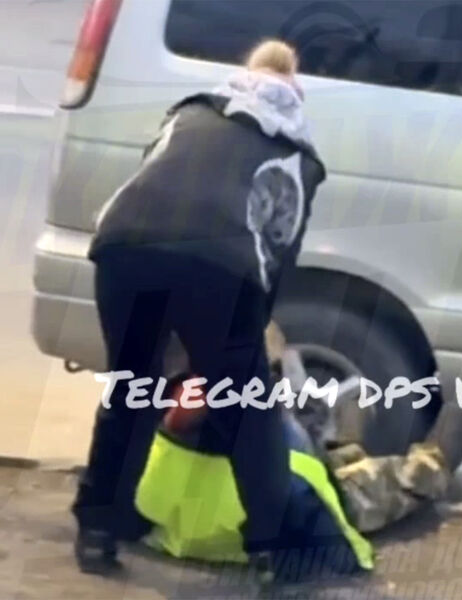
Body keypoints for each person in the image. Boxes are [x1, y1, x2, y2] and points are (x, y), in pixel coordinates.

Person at [73, 40, 327, 575]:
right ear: (295, 93)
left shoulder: (191, 112)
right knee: (249, 411)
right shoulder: (296, 154)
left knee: (132, 390)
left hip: (124, 247)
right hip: (221, 267)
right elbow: (279, 248)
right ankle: (272, 553)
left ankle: (98, 534)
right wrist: (247, 338)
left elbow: (150, 179)